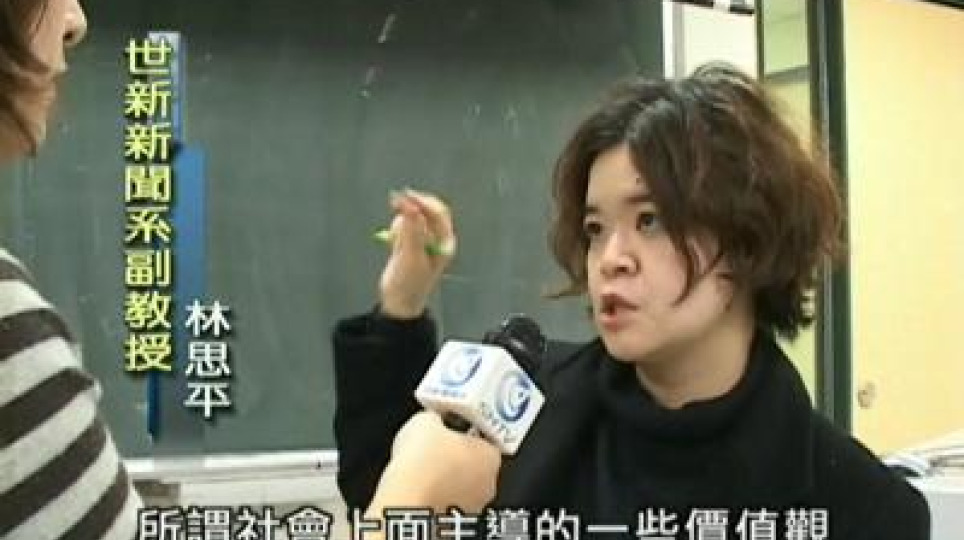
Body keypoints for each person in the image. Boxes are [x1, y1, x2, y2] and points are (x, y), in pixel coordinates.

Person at [332, 64, 931, 538]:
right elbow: (377, 481)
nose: (611, 258)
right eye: (596, 229)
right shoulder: (528, 399)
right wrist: (402, 303)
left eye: (651, 220)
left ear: (749, 238)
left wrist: (411, 494)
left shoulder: (863, 510)